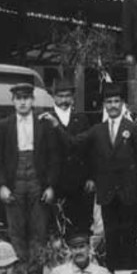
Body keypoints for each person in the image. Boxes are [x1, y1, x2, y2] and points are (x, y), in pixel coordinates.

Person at [54, 83, 137, 270]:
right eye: (109, 102)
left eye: (116, 101)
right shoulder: (97, 130)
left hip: (129, 194)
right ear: (104, 106)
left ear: (122, 104)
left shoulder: (133, 130)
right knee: (112, 240)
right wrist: (56, 126)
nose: (113, 105)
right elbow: (73, 143)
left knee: (129, 239)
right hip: (107, 196)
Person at [0, 81, 60, 274]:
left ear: (32, 100)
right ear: (13, 101)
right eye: (18, 99)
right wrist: (1, 186)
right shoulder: (3, 125)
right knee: (16, 231)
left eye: (26, 98)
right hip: (14, 182)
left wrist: (50, 186)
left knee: (38, 231)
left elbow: (53, 157)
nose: (22, 103)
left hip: (37, 181)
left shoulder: (43, 124)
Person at [46, 78, 93, 234]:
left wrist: (91, 177)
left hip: (79, 184)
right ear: (53, 97)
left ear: (73, 97)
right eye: (60, 96)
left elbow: (90, 151)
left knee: (81, 227)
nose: (64, 100)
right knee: (57, 228)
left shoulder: (82, 119)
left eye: (68, 96)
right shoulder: (45, 120)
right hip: (56, 183)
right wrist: (47, 185)